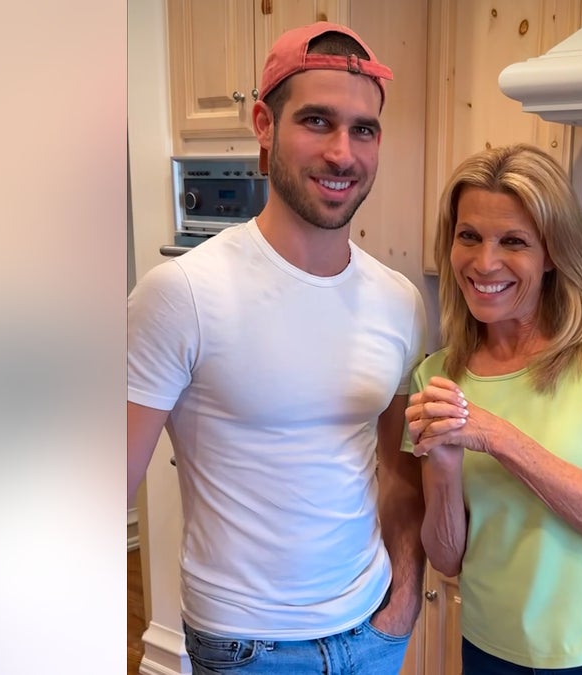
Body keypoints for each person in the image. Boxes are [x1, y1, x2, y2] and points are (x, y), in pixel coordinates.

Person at [127, 22, 427, 675]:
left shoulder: (398, 299)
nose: (343, 152)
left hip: (373, 627)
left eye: (364, 129)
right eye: (317, 121)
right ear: (264, 123)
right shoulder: (182, 293)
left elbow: (400, 467)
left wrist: (403, 594)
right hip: (248, 645)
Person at [404, 144, 582, 674]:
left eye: (514, 242)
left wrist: (497, 436)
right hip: (489, 651)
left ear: (552, 252)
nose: (485, 263)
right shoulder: (437, 375)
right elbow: (446, 557)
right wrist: (442, 465)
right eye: (469, 237)